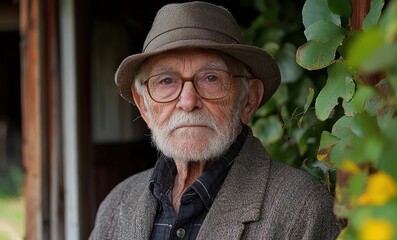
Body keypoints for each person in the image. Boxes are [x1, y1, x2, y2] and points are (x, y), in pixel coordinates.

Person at [90, 1, 340, 239]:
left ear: (249, 100)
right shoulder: (118, 205)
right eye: (166, 81)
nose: (188, 102)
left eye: (211, 78)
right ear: (144, 105)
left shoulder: (302, 208)